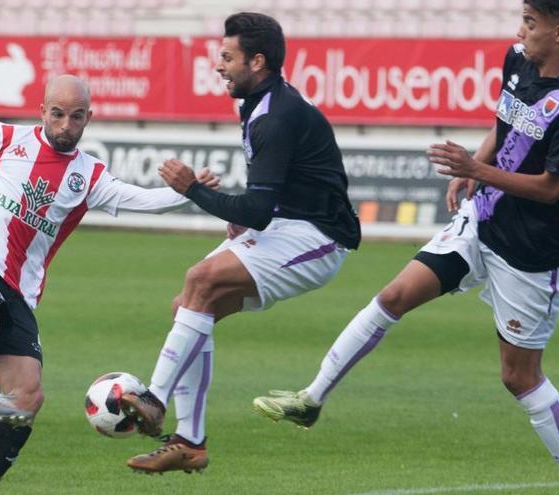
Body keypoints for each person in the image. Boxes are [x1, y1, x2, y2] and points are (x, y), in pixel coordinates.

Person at [252, 1, 559, 493]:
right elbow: (503, 125)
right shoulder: (518, 60)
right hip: (480, 221)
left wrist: (474, 170)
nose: (519, 31)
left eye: (529, 23)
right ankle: (311, 399)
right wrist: (477, 171)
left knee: (519, 376)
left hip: (529, 253)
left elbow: (552, 188)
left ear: (558, 32)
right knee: (393, 297)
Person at [0, 75, 218, 495]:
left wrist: (191, 191)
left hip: (19, 292)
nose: (64, 125)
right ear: (42, 111)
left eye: (75, 117)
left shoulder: (88, 176)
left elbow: (144, 200)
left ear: (88, 119)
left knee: (28, 398)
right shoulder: (4, 139)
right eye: (57, 114)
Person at [120, 12, 361, 474]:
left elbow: (257, 210)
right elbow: (264, 203)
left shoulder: (274, 115)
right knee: (189, 307)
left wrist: (193, 189)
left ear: (257, 60)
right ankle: (190, 444)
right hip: (286, 225)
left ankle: (154, 398)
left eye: (227, 57)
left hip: (321, 239)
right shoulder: (261, 103)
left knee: (200, 278)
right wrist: (244, 218)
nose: (219, 65)